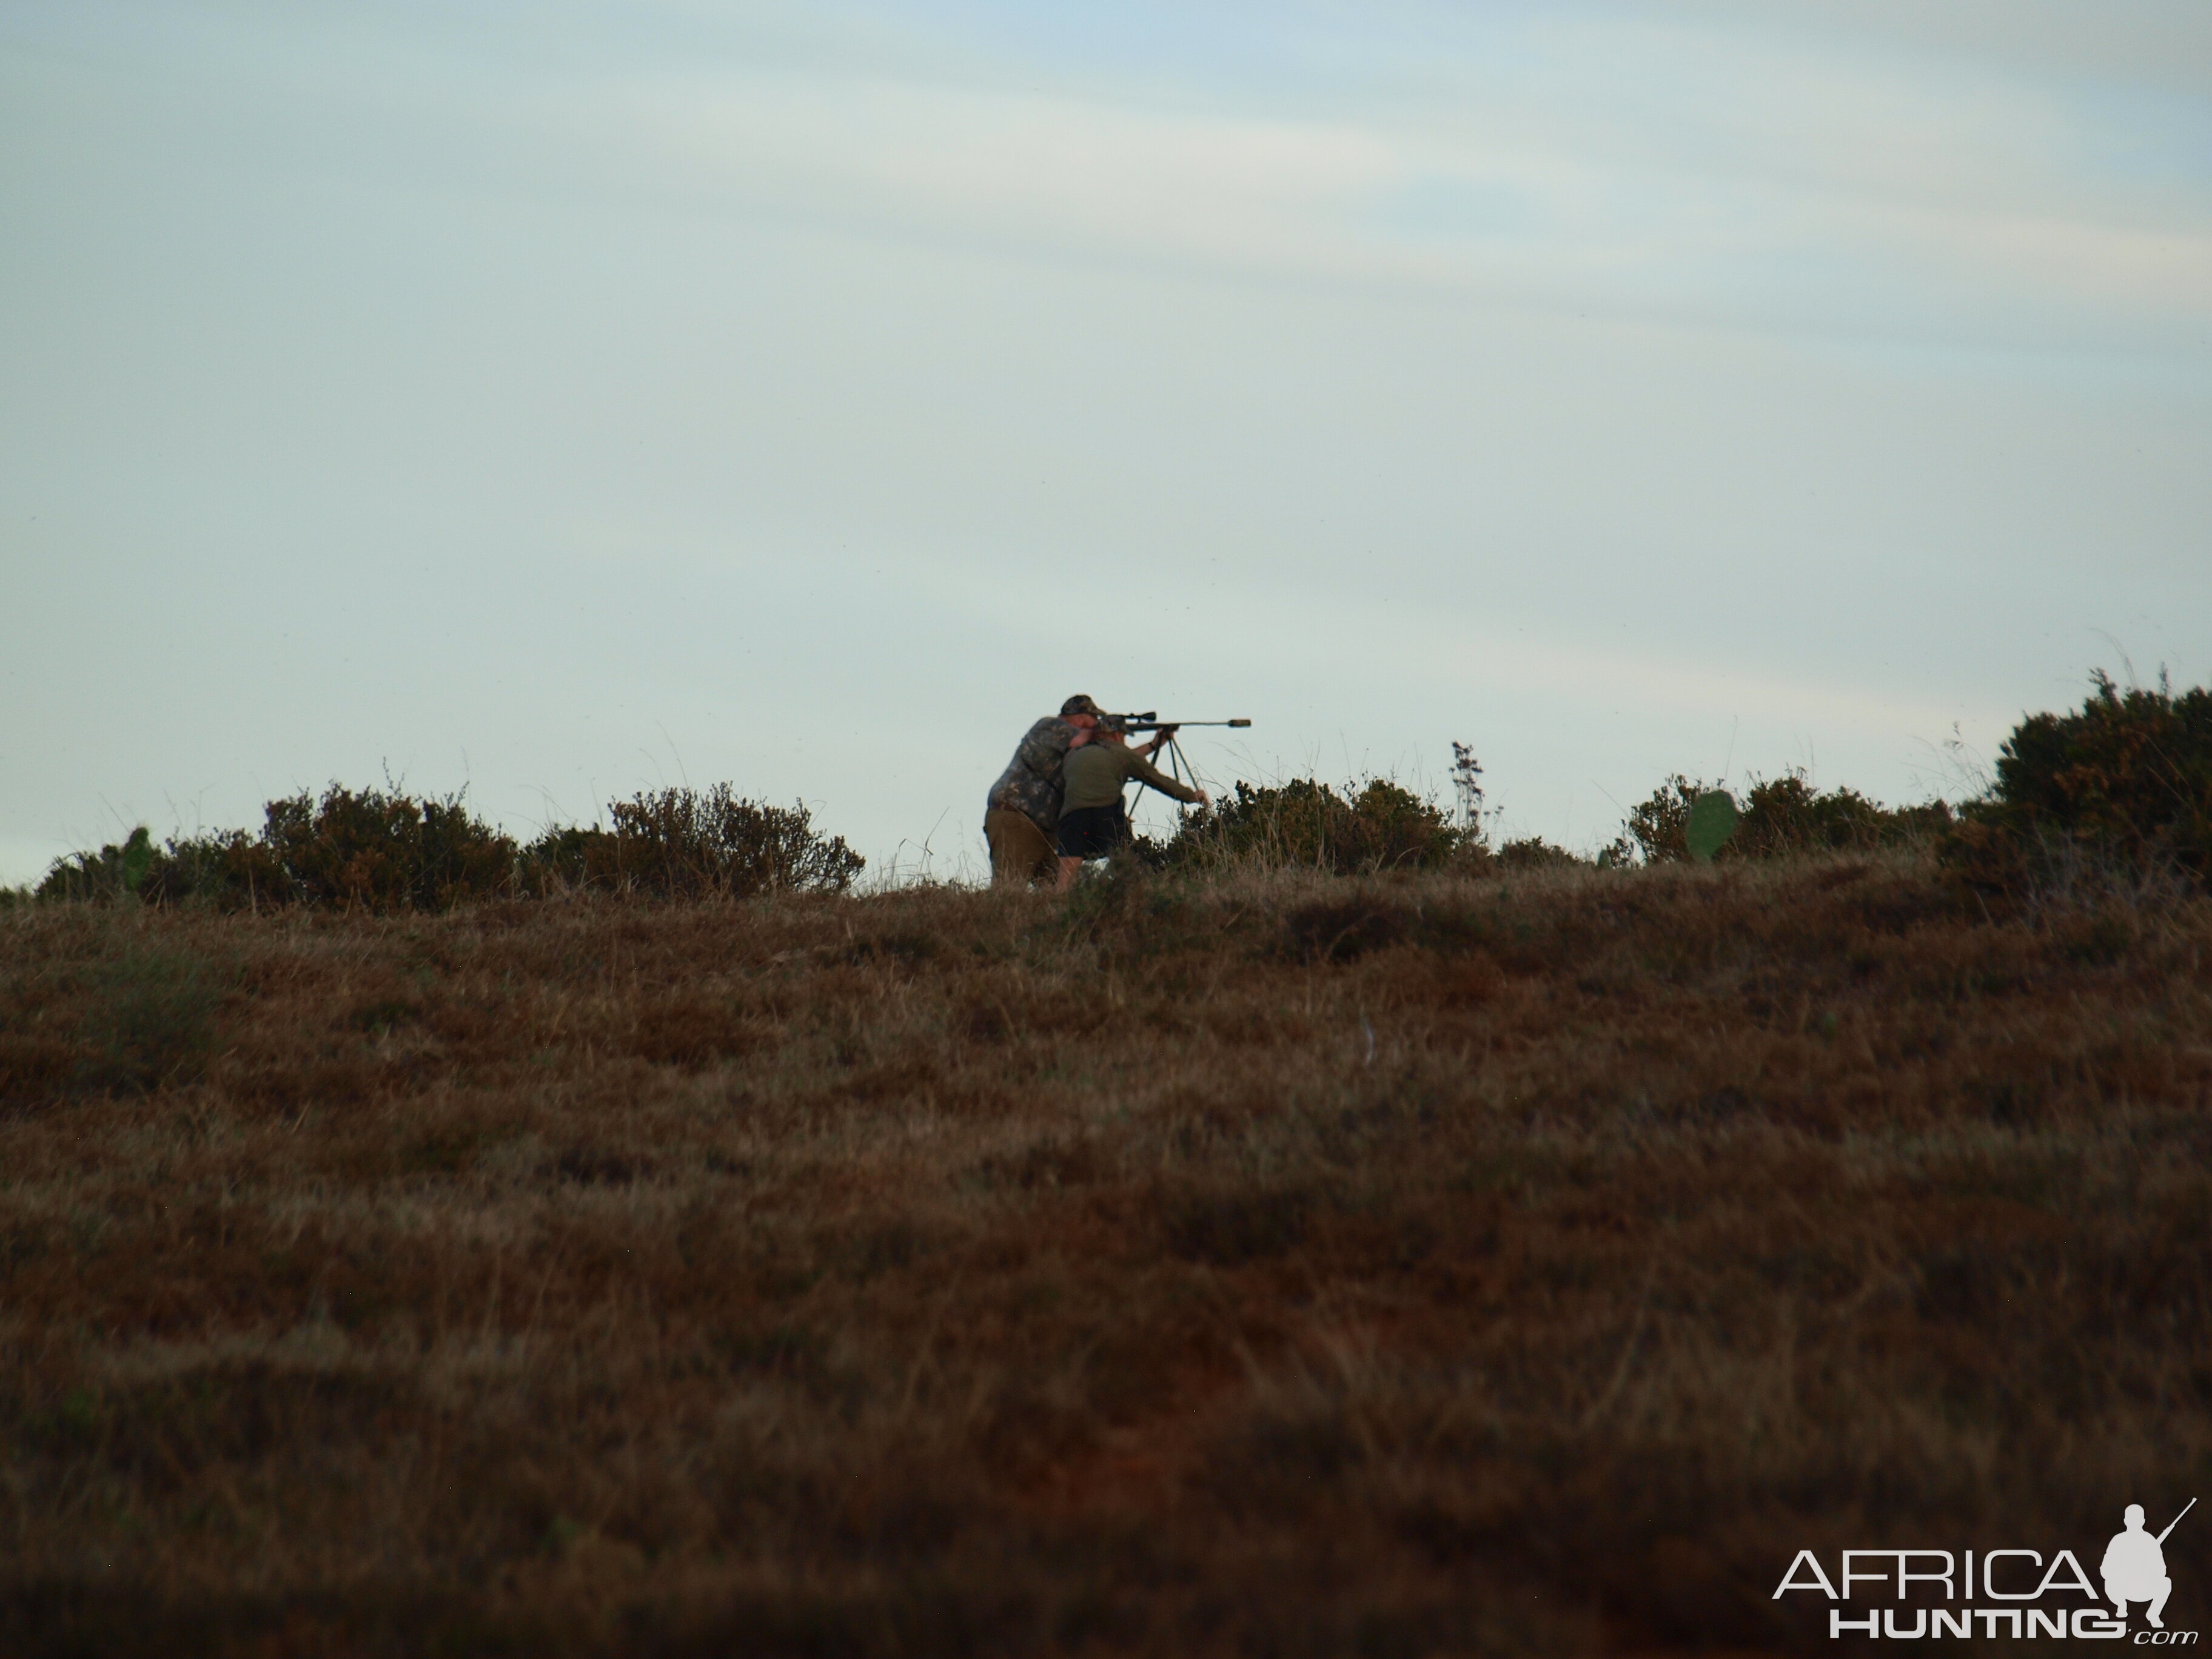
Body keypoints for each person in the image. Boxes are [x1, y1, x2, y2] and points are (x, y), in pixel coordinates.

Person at [1055, 724, 1209, 890]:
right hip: (1106, 816)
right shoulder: (1121, 753)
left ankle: (1058, 905)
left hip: (1073, 817)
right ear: (1116, 736)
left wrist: (1153, 745)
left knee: (1068, 868)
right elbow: (1156, 779)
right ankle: (1134, 901)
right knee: (1127, 865)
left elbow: (1116, 759)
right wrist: (1191, 795)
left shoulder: (1073, 755)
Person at [985, 695, 1103, 886]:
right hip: (1016, 818)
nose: (1096, 724)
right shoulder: (1049, 726)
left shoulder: (1078, 747)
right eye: (1093, 720)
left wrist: (1152, 745)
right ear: (1081, 717)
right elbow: (1079, 741)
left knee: (1061, 892)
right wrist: (1102, 732)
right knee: (1008, 889)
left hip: (1044, 831)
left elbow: (1116, 760)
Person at [2102, 1504, 2173, 1628]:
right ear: (2125, 1521)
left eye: (2137, 1519)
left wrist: (2146, 1569)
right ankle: (2121, 1605)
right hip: (2122, 1589)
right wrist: (2123, 1571)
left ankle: (2153, 1614)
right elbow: (2105, 1569)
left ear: (2143, 1521)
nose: (2134, 1523)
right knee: (2109, 1582)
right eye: (2131, 1519)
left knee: (2166, 1583)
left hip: (2145, 1588)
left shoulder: (2150, 1541)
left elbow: (2162, 1570)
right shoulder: (2118, 1540)